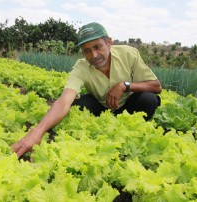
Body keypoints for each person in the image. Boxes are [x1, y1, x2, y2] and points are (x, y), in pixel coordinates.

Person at [12, 22, 162, 158]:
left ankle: (131, 131)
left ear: (109, 42)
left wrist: (125, 85)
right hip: (102, 108)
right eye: (87, 51)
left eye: (97, 47)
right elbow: (64, 101)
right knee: (76, 105)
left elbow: (156, 86)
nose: (94, 55)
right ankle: (105, 128)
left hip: (128, 107)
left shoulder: (129, 54)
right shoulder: (81, 66)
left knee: (149, 99)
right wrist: (37, 131)